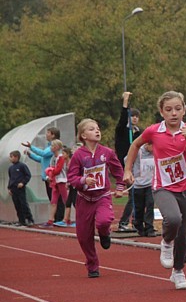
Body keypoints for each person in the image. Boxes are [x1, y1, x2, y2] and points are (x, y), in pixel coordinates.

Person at [124, 91, 186, 290]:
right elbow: (135, 144)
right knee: (173, 219)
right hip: (162, 186)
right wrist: (128, 169)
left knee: (184, 234)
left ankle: (178, 271)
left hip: (185, 187)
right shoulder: (154, 131)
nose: (174, 113)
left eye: (178, 109)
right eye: (169, 109)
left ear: (184, 110)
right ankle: (166, 241)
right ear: (161, 112)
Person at [67, 119, 126, 278]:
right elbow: (71, 177)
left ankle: (105, 233)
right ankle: (92, 265)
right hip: (84, 199)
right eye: (92, 129)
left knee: (104, 221)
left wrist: (120, 187)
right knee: (84, 237)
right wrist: (83, 181)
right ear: (83, 136)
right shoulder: (78, 156)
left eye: (98, 128)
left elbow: (118, 171)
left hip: (102, 196)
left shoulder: (107, 153)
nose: (97, 131)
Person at [22, 127, 64, 223]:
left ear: (53, 135)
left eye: (48, 133)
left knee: (57, 199)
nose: (46, 134)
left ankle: (59, 218)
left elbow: (44, 154)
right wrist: (30, 154)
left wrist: (31, 147)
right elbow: (41, 159)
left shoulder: (54, 146)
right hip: (47, 177)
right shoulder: (49, 146)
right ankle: (56, 218)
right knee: (52, 198)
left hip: (53, 177)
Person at [115, 91, 141, 231]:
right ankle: (123, 223)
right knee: (133, 194)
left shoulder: (139, 132)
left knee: (140, 195)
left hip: (139, 167)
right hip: (125, 166)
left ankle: (137, 222)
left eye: (136, 116)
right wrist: (125, 102)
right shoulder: (122, 131)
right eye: (132, 116)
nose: (134, 119)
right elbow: (122, 120)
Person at [130, 142, 156, 237]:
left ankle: (149, 227)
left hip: (150, 184)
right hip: (138, 184)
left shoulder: (156, 152)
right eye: (153, 146)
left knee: (150, 204)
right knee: (139, 208)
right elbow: (126, 160)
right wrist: (131, 172)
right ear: (147, 145)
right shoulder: (138, 151)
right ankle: (139, 225)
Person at [45, 139, 69, 228]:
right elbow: (50, 168)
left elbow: (58, 170)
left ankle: (67, 219)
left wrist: (51, 173)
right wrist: (48, 176)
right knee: (53, 201)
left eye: (52, 146)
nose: (51, 147)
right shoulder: (53, 158)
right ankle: (50, 220)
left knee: (66, 200)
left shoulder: (61, 157)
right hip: (55, 181)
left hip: (61, 180)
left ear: (57, 147)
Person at [7, 150, 34, 226]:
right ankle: (21, 220)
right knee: (17, 204)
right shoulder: (10, 168)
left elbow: (28, 175)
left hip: (20, 188)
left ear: (16, 157)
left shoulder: (22, 166)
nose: (10, 158)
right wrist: (9, 188)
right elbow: (11, 178)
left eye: (11, 157)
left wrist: (23, 182)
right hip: (13, 189)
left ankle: (29, 219)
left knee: (23, 204)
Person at [62, 146, 77, 227]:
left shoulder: (71, 163)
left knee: (75, 202)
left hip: (75, 184)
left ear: (67, 154)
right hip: (71, 184)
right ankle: (65, 220)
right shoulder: (66, 163)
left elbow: (73, 173)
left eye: (63, 153)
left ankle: (79, 220)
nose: (62, 155)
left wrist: (69, 182)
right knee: (68, 202)